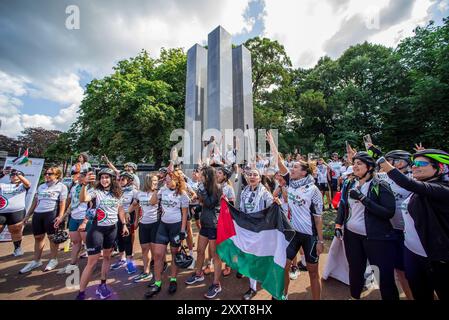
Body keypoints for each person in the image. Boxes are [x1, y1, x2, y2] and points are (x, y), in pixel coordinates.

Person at [379, 149, 449, 300]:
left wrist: (384, 162)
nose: (414, 166)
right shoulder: (421, 186)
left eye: (420, 163)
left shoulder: (443, 189)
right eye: (414, 163)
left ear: (441, 167)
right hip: (412, 251)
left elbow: (409, 184)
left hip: (437, 258)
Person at [335, 151, 399, 300]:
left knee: (382, 274)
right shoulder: (350, 183)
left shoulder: (380, 185)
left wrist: (363, 198)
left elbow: (388, 212)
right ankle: (355, 296)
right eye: (354, 163)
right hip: (352, 235)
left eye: (359, 163)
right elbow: (343, 206)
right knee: (355, 269)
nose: (355, 166)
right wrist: (338, 225)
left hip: (376, 237)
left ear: (369, 167)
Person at [75, 168, 129, 300]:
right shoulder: (96, 191)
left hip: (112, 229)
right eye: (102, 177)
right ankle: (81, 293)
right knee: (92, 262)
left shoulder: (117, 193)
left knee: (107, 257)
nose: (105, 180)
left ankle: (103, 284)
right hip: (97, 229)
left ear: (111, 179)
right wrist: (84, 184)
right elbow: (83, 199)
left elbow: (120, 209)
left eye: (107, 177)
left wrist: (124, 224)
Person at [145, 170, 189, 298]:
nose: (167, 180)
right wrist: (158, 190)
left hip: (176, 227)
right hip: (163, 226)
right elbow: (152, 202)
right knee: (158, 255)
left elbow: (185, 214)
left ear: (176, 180)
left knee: (175, 254)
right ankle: (157, 283)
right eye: (167, 178)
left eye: (170, 178)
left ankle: (173, 280)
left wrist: (182, 231)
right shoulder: (162, 190)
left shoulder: (182, 194)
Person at [377, 150, 414, 299]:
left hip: (412, 232)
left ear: (401, 162)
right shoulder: (383, 176)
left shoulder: (414, 177)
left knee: (416, 270)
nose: (385, 163)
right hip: (392, 230)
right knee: (400, 270)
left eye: (389, 160)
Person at [185, 166, 224, 299]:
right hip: (205, 224)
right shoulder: (205, 187)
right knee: (200, 251)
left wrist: (202, 191)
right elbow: (203, 203)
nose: (200, 177)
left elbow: (210, 203)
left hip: (214, 225)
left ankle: (216, 284)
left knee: (215, 256)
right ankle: (198, 274)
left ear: (208, 176)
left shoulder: (217, 188)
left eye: (202, 175)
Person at [20, 167, 68, 273]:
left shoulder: (62, 187)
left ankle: (53, 259)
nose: (47, 175)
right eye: (46, 173)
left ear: (57, 175)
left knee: (52, 238)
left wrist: (60, 216)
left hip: (51, 214)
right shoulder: (41, 186)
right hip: (38, 214)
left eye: (50, 174)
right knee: (38, 237)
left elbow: (62, 203)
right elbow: (35, 201)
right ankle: (36, 260)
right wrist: (28, 215)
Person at [239, 167, 273, 300]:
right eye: (250, 175)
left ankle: (264, 277)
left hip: (261, 231)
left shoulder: (264, 193)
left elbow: (272, 207)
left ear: (259, 178)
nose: (252, 177)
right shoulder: (244, 191)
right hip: (248, 230)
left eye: (255, 175)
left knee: (260, 257)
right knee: (251, 257)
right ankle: (252, 288)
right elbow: (241, 209)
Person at [57, 169, 93, 274]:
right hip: (74, 217)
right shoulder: (74, 188)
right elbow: (71, 203)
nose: (80, 177)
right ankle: (73, 264)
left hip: (84, 218)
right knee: (76, 242)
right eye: (80, 176)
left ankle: (90, 265)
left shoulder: (91, 189)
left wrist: (85, 221)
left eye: (83, 176)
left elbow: (92, 207)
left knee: (88, 243)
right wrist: (63, 216)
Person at [128, 173, 160, 283]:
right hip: (143, 224)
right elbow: (134, 205)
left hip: (155, 224)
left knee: (156, 251)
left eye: (157, 181)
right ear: (147, 181)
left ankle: (157, 274)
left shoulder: (158, 193)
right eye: (154, 181)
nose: (156, 183)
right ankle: (146, 272)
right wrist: (126, 213)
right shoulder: (139, 194)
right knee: (145, 249)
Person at [110, 171, 138, 274]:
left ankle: (130, 263)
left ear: (129, 181)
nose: (120, 181)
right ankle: (122, 259)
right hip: (116, 217)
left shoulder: (134, 191)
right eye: (119, 179)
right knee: (119, 238)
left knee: (127, 239)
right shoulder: (117, 190)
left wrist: (136, 220)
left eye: (123, 179)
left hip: (127, 217)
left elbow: (136, 206)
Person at [0, 168, 31, 256]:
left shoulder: (23, 186)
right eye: (12, 175)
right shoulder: (3, 185)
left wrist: (18, 173)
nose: (15, 176)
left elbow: (28, 183)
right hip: (2, 212)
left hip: (17, 212)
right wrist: (2, 174)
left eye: (17, 175)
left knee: (16, 230)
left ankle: (17, 248)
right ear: (10, 177)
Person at [216, 165, 236, 277]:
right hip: (215, 218)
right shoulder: (214, 186)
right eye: (217, 172)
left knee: (226, 243)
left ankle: (228, 265)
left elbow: (232, 206)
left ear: (224, 176)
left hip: (225, 219)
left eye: (219, 173)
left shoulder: (228, 188)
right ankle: (212, 263)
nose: (217, 174)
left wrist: (226, 201)